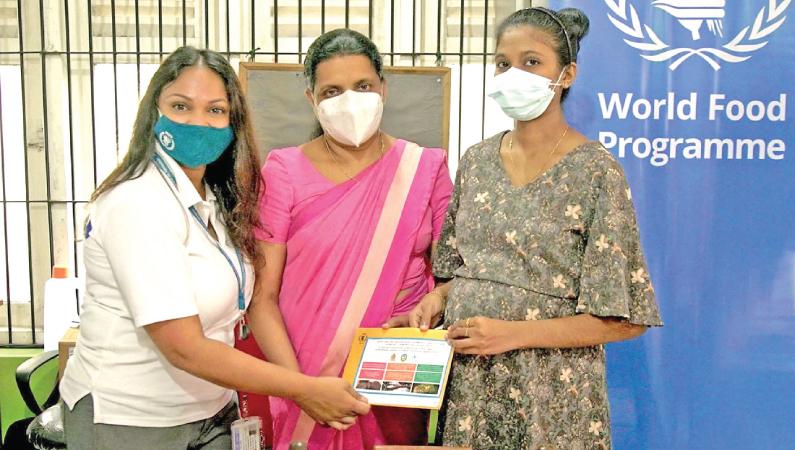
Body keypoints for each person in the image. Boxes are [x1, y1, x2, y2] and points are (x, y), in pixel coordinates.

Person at [59, 46, 369, 450]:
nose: (198, 123)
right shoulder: (137, 203)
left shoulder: (213, 200)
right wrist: (303, 388)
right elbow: (184, 348)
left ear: (232, 121)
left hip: (210, 412)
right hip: (132, 422)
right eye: (181, 106)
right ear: (154, 111)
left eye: (215, 111)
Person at [404, 7, 663, 449]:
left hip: (553, 395)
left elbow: (623, 319)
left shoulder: (596, 172)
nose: (512, 74)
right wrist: (437, 298)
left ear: (566, 74)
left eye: (531, 62)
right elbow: (464, 271)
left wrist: (512, 335)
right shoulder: (476, 162)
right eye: (503, 63)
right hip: (472, 388)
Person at [251, 29, 453, 449]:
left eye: (362, 86)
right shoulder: (282, 171)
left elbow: (458, 275)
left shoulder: (425, 168)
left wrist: (431, 304)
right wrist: (300, 389)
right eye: (332, 90)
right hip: (304, 378)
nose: (350, 100)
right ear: (311, 99)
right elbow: (261, 299)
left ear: (384, 88)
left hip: (395, 380)